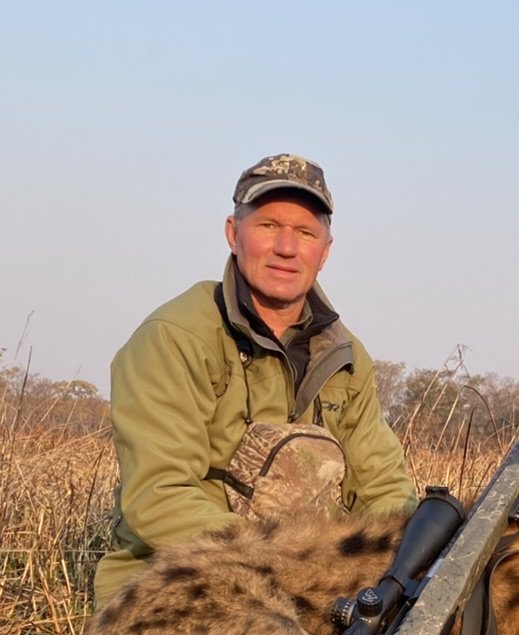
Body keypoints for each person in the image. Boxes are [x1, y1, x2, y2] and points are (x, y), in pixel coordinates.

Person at [93, 154, 418, 608]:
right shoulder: (173, 337)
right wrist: (295, 563)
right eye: (268, 226)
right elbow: (158, 498)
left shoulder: (345, 356)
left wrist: (409, 560)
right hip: (179, 579)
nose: (287, 247)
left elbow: (384, 485)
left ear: (324, 251)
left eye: (305, 233)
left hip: (310, 586)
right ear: (233, 233)